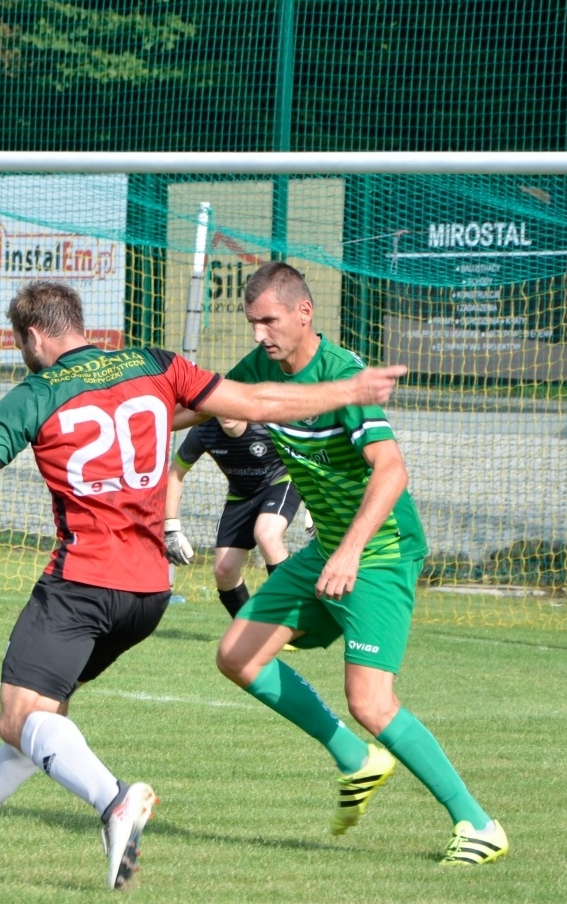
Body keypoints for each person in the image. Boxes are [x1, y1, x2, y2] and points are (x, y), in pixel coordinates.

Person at [0, 280, 407, 889]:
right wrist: (349, 389)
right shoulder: (154, 365)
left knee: (17, 716)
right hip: (150, 593)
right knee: (46, 712)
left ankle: (114, 804)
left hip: (82, 582)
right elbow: (257, 402)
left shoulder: (34, 394)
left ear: (34, 336)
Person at [195, 262, 508, 866]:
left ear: (304, 313)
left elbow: (392, 472)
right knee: (236, 655)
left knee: (370, 701)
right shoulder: (258, 369)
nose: (259, 335)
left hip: (379, 551)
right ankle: (355, 758)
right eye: (252, 322)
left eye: (269, 321)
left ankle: (479, 824)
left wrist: (348, 551)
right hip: (328, 548)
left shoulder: (341, 374)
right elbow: (202, 406)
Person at [162, 416, 311, 617]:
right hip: (240, 496)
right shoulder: (203, 431)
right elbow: (175, 475)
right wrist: (171, 528)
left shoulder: (268, 423)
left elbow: (308, 455)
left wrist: (314, 504)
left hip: (280, 484)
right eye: (219, 407)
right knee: (224, 571)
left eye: (230, 405)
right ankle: (249, 628)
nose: (225, 413)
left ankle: (290, 620)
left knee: (267, 536)